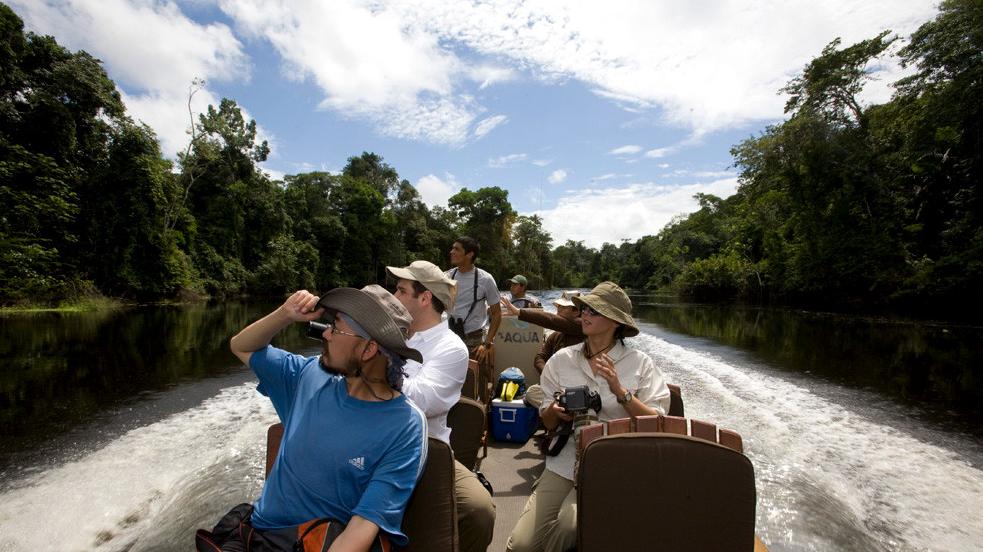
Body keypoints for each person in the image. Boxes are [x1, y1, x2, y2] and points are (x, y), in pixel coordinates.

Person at [225, 286, 428, 550]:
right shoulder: (309, 375)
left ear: (368, 350)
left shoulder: (406, 426)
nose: (326, 334)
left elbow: (361, 527)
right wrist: (285, 314)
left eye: (336, 327)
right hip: (255, 535)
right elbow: (240, 346)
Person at [506, 282, 671, 552]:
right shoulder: (561, 360)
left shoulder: (639, 364)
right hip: (564, 460)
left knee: (567, 529)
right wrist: (554, 412)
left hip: (612, 462)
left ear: (616, 322)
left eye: (595, 311)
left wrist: (621, 392)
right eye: (584, 309)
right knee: (520, 546)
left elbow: (657, 422)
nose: (585, 315)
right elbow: (547, 423)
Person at [387, 260, 496, 552]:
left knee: (478, 511)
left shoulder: (451, 347)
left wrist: (381, 366)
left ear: (424, 299)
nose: (393, 297)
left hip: (424, 450)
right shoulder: (389, 333)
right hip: (375, 442)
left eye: (400, 290)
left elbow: (423, 401)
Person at [446, 236, 502, 401]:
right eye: (452, 248)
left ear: (469, 254)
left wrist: (487, 343)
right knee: (451, 384)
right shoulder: (446, 277)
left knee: (475, 385)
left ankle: (480, 419)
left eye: (457, 249)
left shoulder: (486, 279)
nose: (452, 252)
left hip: (474, 340)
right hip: (450, 338)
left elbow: (497, 314)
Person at [502, 290, 583, 374]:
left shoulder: (583, 328)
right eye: (559, 306)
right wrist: (548, 374)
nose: (558, 309)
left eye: (563, 307)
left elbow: (552, 320)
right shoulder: (556, 336)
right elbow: (540, 357)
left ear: (576, 312)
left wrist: (519, 312)